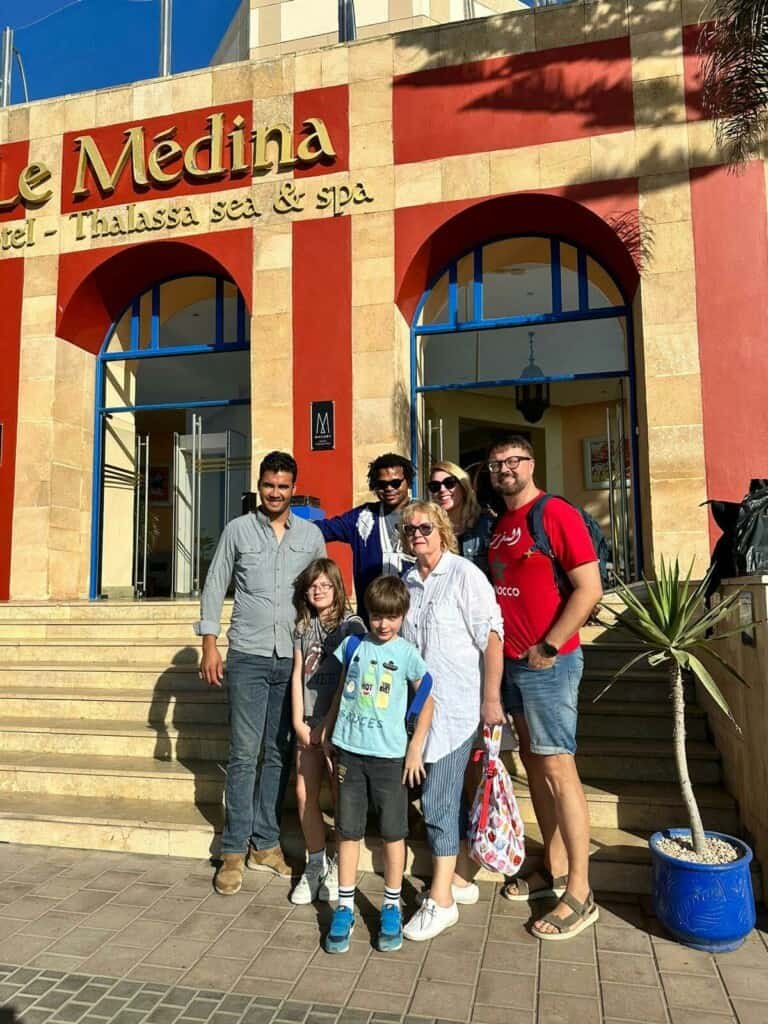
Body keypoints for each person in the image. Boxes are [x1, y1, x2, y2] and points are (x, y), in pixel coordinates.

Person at [482, 435, 603, 941]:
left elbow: (589, 587)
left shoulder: (555, 513)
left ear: (531, 464)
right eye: (496, 463)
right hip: (512, 665)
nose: (505, 469)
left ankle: (580, 892)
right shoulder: (500, 525)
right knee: (535, 765)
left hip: (547, 665)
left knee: (558, 768)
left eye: (513, 460)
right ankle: (550, 867)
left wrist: (549, 646)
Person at [196, 451, 326, 896]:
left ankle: (265, 844)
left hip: (291, 660)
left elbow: (322, 589)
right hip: (249, 656)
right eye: (269, 485)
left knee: (277, 753)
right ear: (260, 486)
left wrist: (321, 647)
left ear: (294, 488)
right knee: (244, 752)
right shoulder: (237, 530)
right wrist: (209, 643)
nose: (276, 493)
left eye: (283, 486)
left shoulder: (310, 535)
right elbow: (215, 583)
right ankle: (233, 850)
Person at [399, 501, 504, 941]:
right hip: (421, 712)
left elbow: (492, 635)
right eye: (409, 530)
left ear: (442, 529)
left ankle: (440, 900)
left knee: (439, 801)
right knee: (436, 796)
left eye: (425, 527)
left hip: (459, 707)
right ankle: (459, 877)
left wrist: (491, 697)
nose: (417, 534)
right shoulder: (408, 581)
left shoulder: (464, 575)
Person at [322, 576, 433, 954]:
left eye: (391, 617)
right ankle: (345, 907)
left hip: (390, 759)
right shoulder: (354, 644)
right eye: (375, 617)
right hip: (349, 753)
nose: (383, 624)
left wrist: (415, 746)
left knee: (392, 833)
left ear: (403, 615)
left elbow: (428, 694)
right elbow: (341, 688)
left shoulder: (406, 653)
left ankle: (389, 904)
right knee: (348, 831)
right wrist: (328, 725)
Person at [289, 558, 365, 905]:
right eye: (312, 585)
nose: (318, 590)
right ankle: (316, 861)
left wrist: (326, 725)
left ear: (337, 587)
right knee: (305, 794)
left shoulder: (352, 627)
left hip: (337, 728)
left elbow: (349, 680)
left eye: (325, 585)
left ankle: (339, 862)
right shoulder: (302, 627)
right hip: (306, 724)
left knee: (339, 797)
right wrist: (297, 720)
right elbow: (296, 674)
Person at [317, 453, 415, 615]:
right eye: (382, 484)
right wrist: (282, 521)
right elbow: (323, 530)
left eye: (396, 483)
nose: (389, 488)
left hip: (413, 616)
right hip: (372, 619)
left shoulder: (424, 516)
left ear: (408, 482)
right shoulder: (362, 518)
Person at [427, 460, 495, 575]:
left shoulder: (486, 524)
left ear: (463, 487)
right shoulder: (428, 529)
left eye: (449, 483)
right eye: (435, 486)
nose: (442, 490)